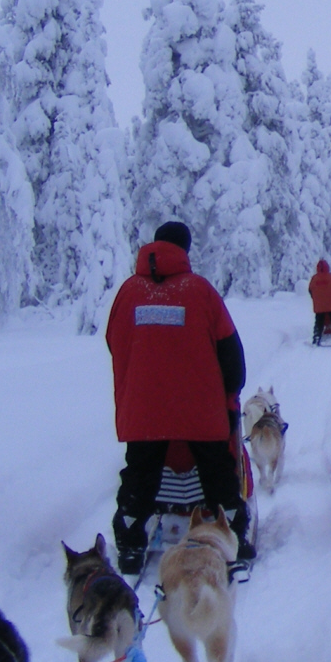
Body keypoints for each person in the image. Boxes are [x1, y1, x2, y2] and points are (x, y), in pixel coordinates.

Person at [106, 221, 253, 577]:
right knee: (218, 475)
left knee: (139, 476)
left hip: (143, 411)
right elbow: (230, 352)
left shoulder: (127, 293)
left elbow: (114, 342)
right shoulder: (200, 291)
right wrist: (230, 395)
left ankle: (129, 544)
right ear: (185, 250)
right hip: (199, 409)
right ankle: (235, 538)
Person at [308, 259, 331, 344]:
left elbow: (310, 290)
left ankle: (317, 337)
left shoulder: (314, 279)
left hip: (319, 307)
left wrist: (316, 297)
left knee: (319, 322)